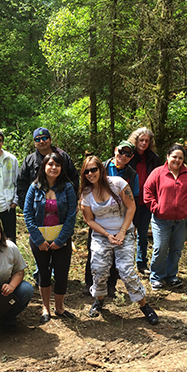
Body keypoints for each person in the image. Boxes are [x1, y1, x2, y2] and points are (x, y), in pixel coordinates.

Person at [80, 156, 158, 325]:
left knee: (126, 270)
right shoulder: (86, 193)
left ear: (101, 169)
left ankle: (145, 306)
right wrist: (107, 235)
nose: (90, 173)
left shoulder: (118, 184)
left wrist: (122, 232)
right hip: (102, 235)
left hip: (125, 232)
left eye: (94, 169)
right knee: (99, 270)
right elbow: (89, 220)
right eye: (86, 171)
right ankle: (99, 300)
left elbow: (131, 207)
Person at [144, 144, 187, 291]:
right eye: (174, 156)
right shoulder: (158, 172)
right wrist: (156, 208)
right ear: (167, 157)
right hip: (161, 220)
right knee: (160, 248)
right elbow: (148, 191)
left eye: (180, 158)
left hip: (183, 220)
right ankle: (156, 277)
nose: (177, 160)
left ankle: (171, 276)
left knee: (176, 249)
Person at [24, 153, 77, 323]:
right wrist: (39, 240)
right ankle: (45, 308)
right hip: (39, 240)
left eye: (58, 165)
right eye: (50, 164)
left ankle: (59, 308)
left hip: (61, 240)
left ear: (62, 168)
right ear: (44, 167)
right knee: (43, 273)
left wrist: (60, 241)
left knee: (61, 274)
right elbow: (28, 214)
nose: (54, 168)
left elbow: (71, 216)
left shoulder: (67, 187)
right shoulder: (34, 187)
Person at [83, 140, 139, 297]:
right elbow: (88, 217)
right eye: (121, 151)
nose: (123, 155)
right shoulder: (103, 166)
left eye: (128, 154)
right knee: (95, 256)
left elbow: (133, 202)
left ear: (131, 157)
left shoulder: (131, 174)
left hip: (121, 222)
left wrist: (128, 228)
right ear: (116, 150)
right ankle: (91, 285)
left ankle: (111, 287)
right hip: (99, 221)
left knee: (118, 259)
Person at [17, 127, 79, 209]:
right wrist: (26, 207)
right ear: (34, 143)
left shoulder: (62, 156)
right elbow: (22, 184)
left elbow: (74, 179)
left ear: (50, 140)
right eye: (37, 139)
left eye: (44, 138)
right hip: (37, 207)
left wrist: (73, 202)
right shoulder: (29, 161)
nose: (41, 141)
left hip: (62, 205)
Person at [128, 127, 161, 274]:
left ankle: (141, 263)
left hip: (146, 201)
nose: (144, 143)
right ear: (135, 140)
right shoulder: (128, 156)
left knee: (142, 234)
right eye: (141, 140)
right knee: (127, 232)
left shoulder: (153, 158)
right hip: (129, 201)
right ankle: (125, 264)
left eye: (147, 141)